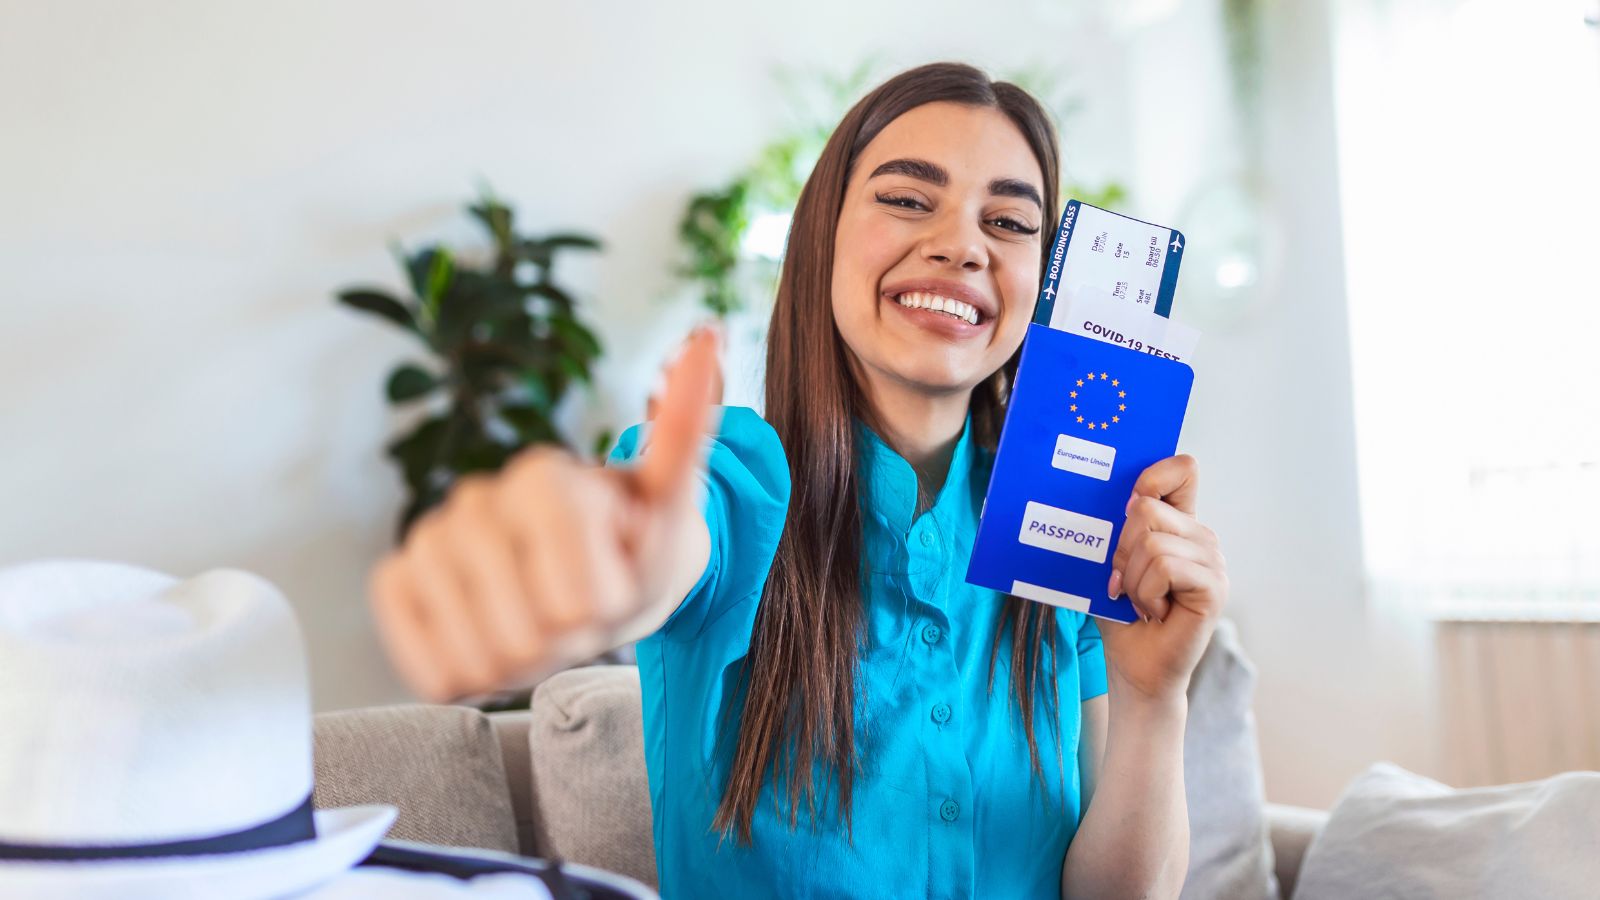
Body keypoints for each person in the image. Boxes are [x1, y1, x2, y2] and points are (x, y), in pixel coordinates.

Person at [369, 61, 1228, 899]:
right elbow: (657, 540)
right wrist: (602, 547)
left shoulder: (1074, 540)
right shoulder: (737, 480)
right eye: (906, 198)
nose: (963, 245)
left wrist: (1156, 697)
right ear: (821, 238)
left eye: (1008, 224)